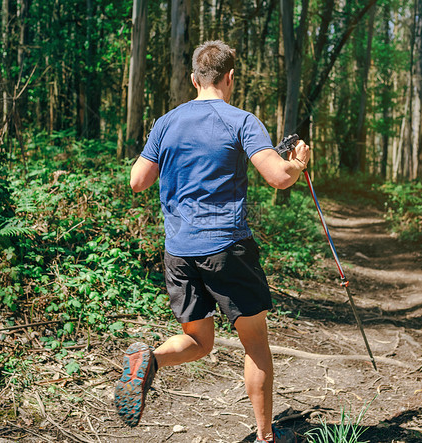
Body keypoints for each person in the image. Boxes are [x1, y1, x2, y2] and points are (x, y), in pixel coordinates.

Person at [115, 40, 310, 443]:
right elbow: (278, 176)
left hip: (179, 252)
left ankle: (147, 360)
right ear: (230, 77)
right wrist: (297, 163)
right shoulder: (241, 120)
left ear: (193, 79)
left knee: (198, 341)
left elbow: (137, 182)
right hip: (227, 248)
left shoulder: (166, 122)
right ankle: (264, 436)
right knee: (255, 344)